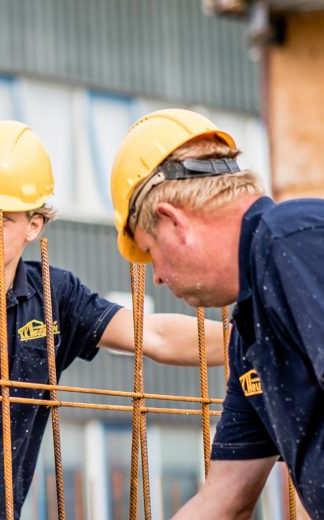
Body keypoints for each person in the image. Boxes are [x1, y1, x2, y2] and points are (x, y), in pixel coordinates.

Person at [0, 120, 227, 520]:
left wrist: (254, 342)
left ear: (34, 225)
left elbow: (154, 335)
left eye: (0, 218)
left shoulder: (54, 295)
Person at [110, 108, 323, 519]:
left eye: (152, 252)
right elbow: (225, 499)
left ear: (173, 222)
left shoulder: (293, 243)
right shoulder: (249, 330)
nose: (156, 277)